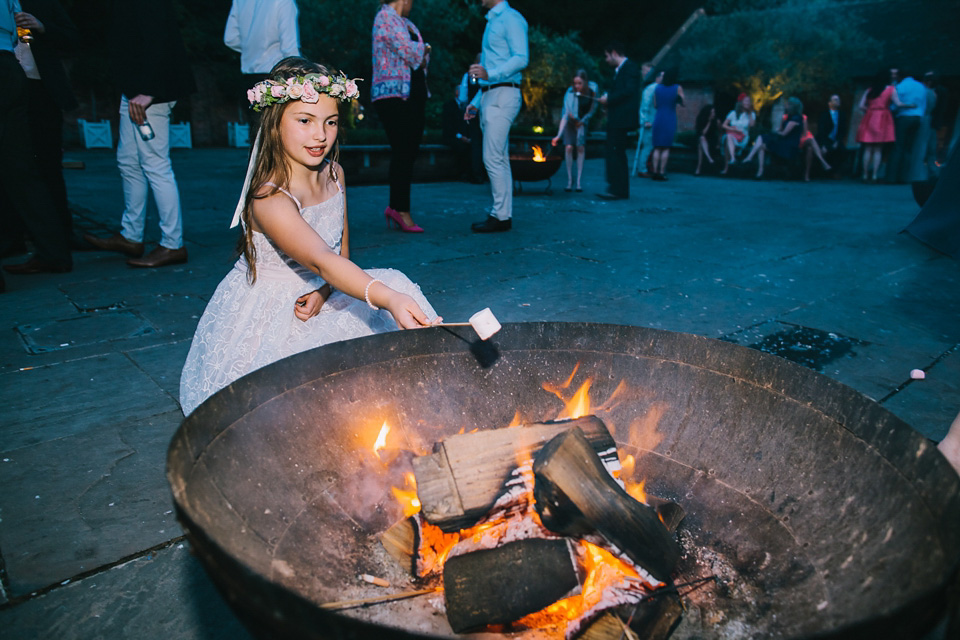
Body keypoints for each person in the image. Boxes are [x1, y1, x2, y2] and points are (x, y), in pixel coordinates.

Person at [179, 57, 439, 416]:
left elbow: (339, 255)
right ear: (274, 124)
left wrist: (324, 289)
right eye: (304, 121)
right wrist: (386, 297)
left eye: (330, 122)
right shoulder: (269, 197)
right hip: (272, 309)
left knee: (393, 323)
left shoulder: (335, 173)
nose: (320, 135)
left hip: (326, 285)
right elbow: (321, 258)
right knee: (307, 403)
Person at [84, 0, 196, 268]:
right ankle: (131, 236)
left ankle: (172, 244)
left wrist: (150, 90)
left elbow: (159, 38)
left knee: (155, 164)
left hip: (149, 94)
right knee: (128, 161)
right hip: (134, 90)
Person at [0, 0, 78, 261]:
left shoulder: (43, 2)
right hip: (12, 78)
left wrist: (42, 27)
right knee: (14, 166)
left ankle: (60, 237)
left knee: (45, 165)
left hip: (39, 91)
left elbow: (71, 39)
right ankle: (14, 238)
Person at [465, 0, 528, 233]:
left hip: (504, 94)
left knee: (492, 157)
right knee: (498, 157)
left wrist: (490, 73)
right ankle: (502, 214)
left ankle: (501, 216)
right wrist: (476, 103)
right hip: (492, 95)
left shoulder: (511, 18)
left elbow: (521, 57)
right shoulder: (493, 20)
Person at [372, 0, 429, 233]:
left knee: (408, 151)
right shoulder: (385, 17)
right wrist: (423, 51)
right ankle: (401, 210)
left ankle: (396, 207)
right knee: (404, 151)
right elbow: (412, 53)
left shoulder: (407, 24)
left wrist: (422, 53)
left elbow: (421, 57)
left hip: (412, 93)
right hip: (393, 95)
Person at [224, 0, 300, 125]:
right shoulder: (283, 2)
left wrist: (250, 47)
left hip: (249, 80)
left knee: (256, 135)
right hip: (277, 79)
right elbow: (289, 47)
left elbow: (230, 39)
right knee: (276, 136)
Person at [596, 41, 640, 200]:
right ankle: (616, 187)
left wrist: (609, 99)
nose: (606, 60)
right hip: (618, 118)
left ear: (614, 52)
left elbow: (628, 91)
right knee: (614, 152)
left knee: (616, 153)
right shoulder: (621, 70)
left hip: (622, 119)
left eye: (607, 56)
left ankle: (618, 189)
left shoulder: (630, 68)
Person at [855, 70, 910, 183]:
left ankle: (865, 175)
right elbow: (898, 103)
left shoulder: (870, 90)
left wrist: (870, 111)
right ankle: (874, 175)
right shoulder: (890, 89)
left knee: (868, 149)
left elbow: (861, 106)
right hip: (883, 118)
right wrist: (911, 105)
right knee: (878, 150)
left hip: (870, 117)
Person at [550, 69, 598, 192]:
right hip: (570, 122)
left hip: (582, 121)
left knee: (580, 147)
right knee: (569, 147)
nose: (577, 86)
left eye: (580, 83)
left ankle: (578, 182)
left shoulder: (592, 91)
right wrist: (558, 135)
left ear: (585, 82)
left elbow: (592, 110)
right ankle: (569, 180)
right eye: (575, 83)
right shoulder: (570, 93)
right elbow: (565, 116)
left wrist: (583, 121)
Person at [743, 96, 805, 179]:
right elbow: (781, 130)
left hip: (788, 146)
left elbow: (783, 133)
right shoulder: (789, 117)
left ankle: (750, 158)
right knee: (761, 145)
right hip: (783, 142)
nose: (786, 105)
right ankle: (760, 171)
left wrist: (778, 131)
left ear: (792, 106)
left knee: (762, 137)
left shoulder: (796, 118)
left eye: (788, 104)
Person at [886, 68, 925, 184]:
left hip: (904, 117)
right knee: (908, 148)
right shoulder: (921, 86)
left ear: (899, 76)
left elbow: (895, 103)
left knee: (898, 147)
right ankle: (904, 177)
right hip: (917, 118)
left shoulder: (901, 86)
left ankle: (891, 177)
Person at [650, 67, 683, 181]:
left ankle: (654, 171)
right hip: (669, 117)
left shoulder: (657, 88)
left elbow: (655, 104)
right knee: (666, 148)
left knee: (657, 147)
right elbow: (682, 102)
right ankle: (662, 172)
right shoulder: (677, 88)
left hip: (659, 117)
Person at [442, 84, 473, 180]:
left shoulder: (468, 106)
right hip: (452, 136)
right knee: (461, 147)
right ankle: (461, 173)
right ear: (456, 92)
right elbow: (448, 125)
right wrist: (460, 136)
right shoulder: (449, 105)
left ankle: (472, 173)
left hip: (465, 136)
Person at [719, 93, 755, 175]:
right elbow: (724, 125)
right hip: (732, 135)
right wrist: (733, 129)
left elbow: (752, 125)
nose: (747, 103)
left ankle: (726, 168)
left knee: (728, 142)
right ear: (741, 102)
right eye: (746, 101)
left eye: (749, 101)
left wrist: (749, 114)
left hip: (743, 137)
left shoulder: (751, 114)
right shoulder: (733, 113)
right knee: (728, 137)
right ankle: (732, 159)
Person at [632, 63, 657, 178]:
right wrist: (644, 120)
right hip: (648, 121)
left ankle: (646, 166)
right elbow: (644, 106)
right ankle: (642, 168)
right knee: (647, 145)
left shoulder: (650, 87)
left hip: (651, 119)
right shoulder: (649, 88)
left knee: (649, 145)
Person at [815, 94, 848, 173]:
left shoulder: (842, 115)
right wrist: (824, 144)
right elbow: (821, 130)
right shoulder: (824, 115)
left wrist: (837, 141)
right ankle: (820, 171)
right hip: (825, 139)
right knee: (824, 150)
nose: (838, 101)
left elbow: (843, 130)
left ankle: (835, 172)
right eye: (835, 100)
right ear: (830, 103)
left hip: (836, 139)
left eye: (839, 99)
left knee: (842, 151)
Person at [799, 114, 831, 181]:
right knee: (811, 139)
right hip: (793, 138)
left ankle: (806, 174)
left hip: (802, 139)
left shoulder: (803, 117)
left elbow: (805, 133)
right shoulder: (784, 116)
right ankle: (822, 161)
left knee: (810, 149)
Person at [694, 104, 718, 176]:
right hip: (701, 138)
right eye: (712, 113)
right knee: (702, 139)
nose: (714, 114)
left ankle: (698, 168)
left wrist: (718, 144)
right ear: (708, 113)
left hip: (711, 140)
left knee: (700, 146)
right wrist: (709, 122)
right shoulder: (701, 119)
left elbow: (718, 133)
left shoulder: (715, 120)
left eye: (714, 112)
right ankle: (709, 158)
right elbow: (703, 133)